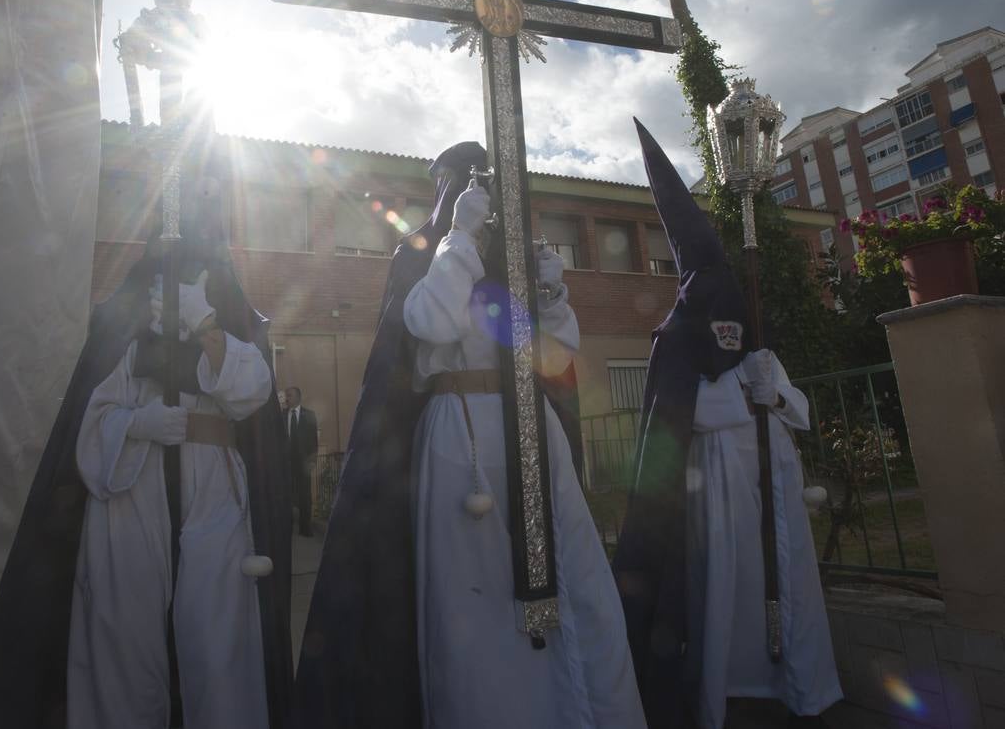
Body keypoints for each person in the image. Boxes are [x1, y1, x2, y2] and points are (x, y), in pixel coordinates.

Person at [292, 141, 646, 729]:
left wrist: (551, 294)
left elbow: (552, 358)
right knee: (474, 601)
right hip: (459, 439)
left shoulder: (508, 271)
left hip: (531, 436)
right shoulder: (423, 256)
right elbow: (429, 320)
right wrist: (458, 239)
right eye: (463, 186)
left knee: (573, 583)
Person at [0, 169, 294, 729]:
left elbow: (251, 393)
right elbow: (93, 416)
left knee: (218, 647)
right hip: (131, 491)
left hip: (213, 491)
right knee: (122, 647)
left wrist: (203, 321)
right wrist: (140, 421)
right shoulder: (121, 319)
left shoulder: (232, 315)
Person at [613, 120, 840, 729]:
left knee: (786, 585)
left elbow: (803, 414)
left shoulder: (758, 352)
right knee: (729, 594)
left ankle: (800, 687)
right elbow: (685, 418)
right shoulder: (676, 344)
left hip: (774, 487)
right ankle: (730, 694)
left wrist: (776, 395)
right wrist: (748, 404)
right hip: (714, 491)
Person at [285, 386, 318, 537]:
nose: (287, 398)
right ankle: (287, 528)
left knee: (305, 495)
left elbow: (314, 440)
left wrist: (312, 461)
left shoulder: (309, 415)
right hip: (287, 462)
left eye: (289, 396)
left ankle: (305, 528)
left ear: (298, 397)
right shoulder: (281, 415)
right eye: (286, 396)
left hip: (303, 462)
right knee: (286, 495)